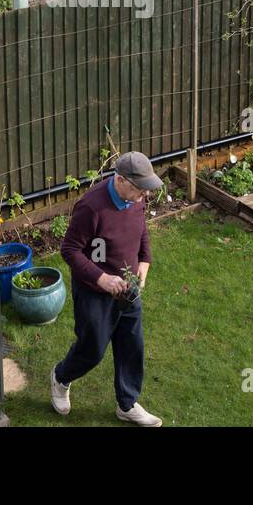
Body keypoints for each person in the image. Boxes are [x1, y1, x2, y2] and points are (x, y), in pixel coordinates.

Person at [50, 151, 162, 426]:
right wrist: (102, 279)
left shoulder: (135, 198)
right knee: (93, 349)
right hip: (94, 290)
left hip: (128, 287)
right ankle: (61, 377)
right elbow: (70, 250)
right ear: (120, 180)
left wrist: (144, 261)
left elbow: (141, 230)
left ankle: (127, 403)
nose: (144, 195)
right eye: (139, 189)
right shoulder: (91, 207)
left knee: (131, 346)